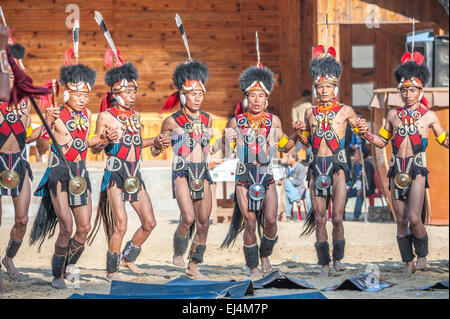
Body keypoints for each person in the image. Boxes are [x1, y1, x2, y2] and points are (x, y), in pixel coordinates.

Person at [357, 51, 449, 274]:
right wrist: (365, 134)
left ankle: (423, 257)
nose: (407, 94)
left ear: (420, 91)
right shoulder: (392, 115)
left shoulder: (429, 116)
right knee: (400, 219)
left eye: (412, 90)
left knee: (415, 218)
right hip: (396, 170)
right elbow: (381, 141)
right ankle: (407, 262)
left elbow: (443, 140)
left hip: (417, 169)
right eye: (404, 90)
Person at [221, 34, 301, 278]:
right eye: (252, 96)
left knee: (272, 221)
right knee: (250, 222)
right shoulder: (236, 122)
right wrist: (226, 140)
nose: (256, 100)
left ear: (268, 98)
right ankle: (253, 266)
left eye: (261, 96)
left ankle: (266, 254)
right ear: (247, 98)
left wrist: (296, 135)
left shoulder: (273, 120)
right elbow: (227, 154)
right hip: (244, 178)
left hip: (266, 177)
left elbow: (286, 147)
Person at [86, 41, 167, 282]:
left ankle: (128, 257)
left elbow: (136, 142)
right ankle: (112, 271)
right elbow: (98, 147)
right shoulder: (105, 116)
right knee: (120, 224)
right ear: (115, 94)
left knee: (149, 222)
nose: (133, 96)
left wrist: (157, 140)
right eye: (128, 92)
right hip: (115, 173)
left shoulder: (137, 116)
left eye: (134, 92)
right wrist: (103, 138)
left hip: (135, 174)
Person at [29, 30, 98, 289]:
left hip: (81, 173)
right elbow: (42, 145)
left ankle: (69, 267)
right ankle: (57, 275)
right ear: (67, 94)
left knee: (84, 227)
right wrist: (47, 123)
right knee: (67, 227)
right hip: (59, 174)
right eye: (79, 95)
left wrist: (102, 140)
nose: (83, 100)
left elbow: (85, 145)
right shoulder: (55, 115)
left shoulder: (88, 114)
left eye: (86, 96)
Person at [295, 44, 369, 277]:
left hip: (338, 168)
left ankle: (338, 258)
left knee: (336, 217)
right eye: (320, 87)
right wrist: (299, 135)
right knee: (319, 218)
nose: (324, 90)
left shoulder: (346, 111)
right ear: (316, 88)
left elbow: (360, 133)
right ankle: (324, 263)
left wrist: (364, 128)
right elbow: (308, 144)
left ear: (335, 87)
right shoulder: (309, 113)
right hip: (317, 167)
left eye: (328, 86)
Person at [0, 35, 55, 291]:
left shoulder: (24, 102)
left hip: (19, 162)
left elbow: (28, 136)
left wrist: (46, 124)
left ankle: (8, 257)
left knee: (22, 219)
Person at [159, 57, 219, 279]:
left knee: (204, 222)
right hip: (182, 172)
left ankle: (194, 264)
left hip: (202, 171)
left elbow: (211, 148)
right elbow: (157, 149)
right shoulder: (171, 121)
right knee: (188, 218)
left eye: (200, 94)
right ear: (183, 96)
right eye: (193, 94)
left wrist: (226, 142)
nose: (197, 98)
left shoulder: (208, 119)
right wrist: (159, 143)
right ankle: (178, 250)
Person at [345, 145, 375, 220]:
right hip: (358, 188)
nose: (354, 155)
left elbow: (370, 180)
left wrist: (362, 188)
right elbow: (353, 179)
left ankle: (356, 215)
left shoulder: (368, 165)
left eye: (356, 153)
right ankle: (341, 215)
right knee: (346, 194)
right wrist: (349, 187)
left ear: (362, 154)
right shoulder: (355, 165)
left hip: (368, 188)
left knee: (360, 193)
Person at [282, 151, 309, 220]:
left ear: (294, 159)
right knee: (287, 192)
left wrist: (289, 180)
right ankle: (295, 199)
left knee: (286, 182)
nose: (287, 159)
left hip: (299, 190)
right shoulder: (287, 168)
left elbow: (299, 181)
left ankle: (288, 214)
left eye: (288, 157)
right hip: (291, 192)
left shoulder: (301, 167)